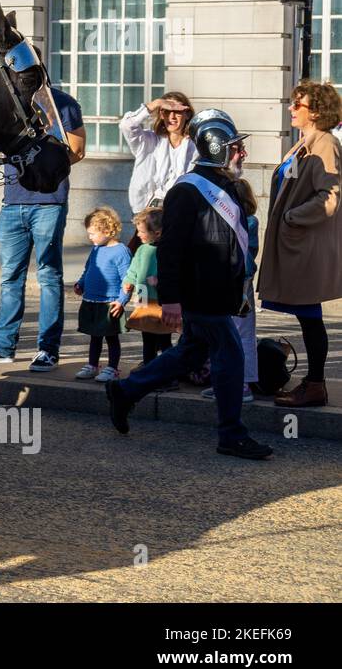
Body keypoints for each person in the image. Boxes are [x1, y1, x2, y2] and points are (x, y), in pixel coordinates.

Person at [105, 109, 272, 460]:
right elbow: (170, 248)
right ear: (215, 148)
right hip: (200, 293)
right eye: (235, 147)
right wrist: (171, 300)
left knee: (190, 353)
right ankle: (231, 435)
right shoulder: (186, 191)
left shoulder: (226, 186)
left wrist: (239, 289)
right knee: (230, 355)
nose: (242, 152)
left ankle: (125, 392)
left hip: (219, 293)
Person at [0, 86, 86, 372]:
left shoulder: (63, 103)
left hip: (48, 201)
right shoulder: (8, 102)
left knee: (48, 276)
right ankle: (3, 346)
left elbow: (78, 150)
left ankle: (48, 350)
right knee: (10, 277)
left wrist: (43, 167)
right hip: (12, 201)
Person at [257, 81, 342, 409]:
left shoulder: (325, 144)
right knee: (308, 317)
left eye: (298, 104)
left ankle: (315, 384)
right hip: (296, 245)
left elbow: (331, 197)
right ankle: (312, 382)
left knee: (310, 316)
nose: (291, 109)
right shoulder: (303, 143)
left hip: (305, 247)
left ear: (316, 111)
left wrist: (294, 216)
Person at [203, 179, 258, 405]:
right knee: (229, 332)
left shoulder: (244, 220)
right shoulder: (247, 219)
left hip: (238, 281)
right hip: (235, 280)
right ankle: (226, 381)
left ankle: (242, 383)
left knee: (240, 333)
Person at [119, 92, 197, 249]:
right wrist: (155, 104)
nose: (172, 117)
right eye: (167, 111)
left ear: (187, 114)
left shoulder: (195, 146)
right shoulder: (149, 140)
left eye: (177, 112)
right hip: (148, 210)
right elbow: (126, 126)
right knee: (143, 256)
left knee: (172, 257)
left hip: (179, 211)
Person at [72, 207, 131, 382]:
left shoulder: (121, 251)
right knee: (94, 336)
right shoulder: (96, 248)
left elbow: (127, 280)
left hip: (110, 303)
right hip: (91, 300)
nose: (89, 237)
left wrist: (122, 301)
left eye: (92, 233)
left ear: (107, 231)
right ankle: (92, 365)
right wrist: (81, 284)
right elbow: (88, 269)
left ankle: (112, 368)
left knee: (111, 337)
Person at [122, 208, 169, 366]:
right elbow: (133, 268)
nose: (138, 235)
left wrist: (161, 281)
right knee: (147, 338)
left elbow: (175, 272)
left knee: (164, 339)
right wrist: (128, 280)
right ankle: (148, 366)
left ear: (157, 233)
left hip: (160, 302)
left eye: (141, 231)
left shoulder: (167, 250)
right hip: (143, 299)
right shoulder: (142, 249)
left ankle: (167, 371)